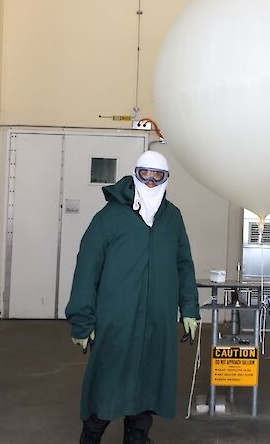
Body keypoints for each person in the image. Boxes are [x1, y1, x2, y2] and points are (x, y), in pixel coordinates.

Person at [66, 150, 200, 444]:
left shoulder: (172, 217)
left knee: (149, 383)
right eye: (145, 174)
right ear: (136, 174)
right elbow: (87, 268)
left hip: (157, 321)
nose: (151, 181)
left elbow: (183, 263)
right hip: (118, 320)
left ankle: (137, 437)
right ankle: (91, 436)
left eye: (159, 176)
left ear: (166, 179)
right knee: (107, 382)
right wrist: (81, 320)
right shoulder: (110, 217)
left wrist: (189, 307)